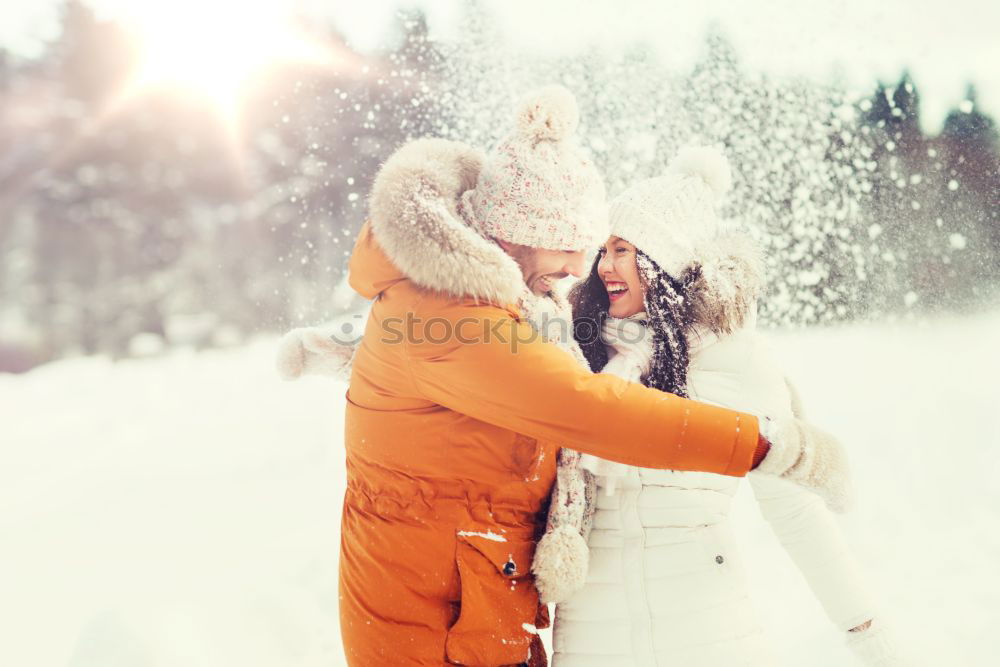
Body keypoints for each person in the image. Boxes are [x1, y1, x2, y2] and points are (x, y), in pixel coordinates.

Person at [276, 88, 849, 666]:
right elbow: (589, 410)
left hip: (465, 605)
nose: (583, 268)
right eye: (572, 245)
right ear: (515, 232)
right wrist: (769, 445)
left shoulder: (478, 300)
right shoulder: (457, 315)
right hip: (434, 627)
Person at [535, 146, 901, 666]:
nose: (604, 266)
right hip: (594, 636)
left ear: (664, 263)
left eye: (623, 250)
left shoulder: (735, 361)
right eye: (603, 250)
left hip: (708, 633)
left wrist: (866, 630)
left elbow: (793, 508)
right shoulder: (575, 352)